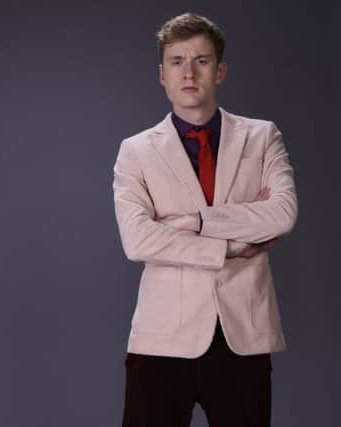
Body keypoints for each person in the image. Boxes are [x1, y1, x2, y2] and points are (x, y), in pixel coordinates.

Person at [113, 13, 297, 427]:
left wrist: (192, 221)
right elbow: (138, 241)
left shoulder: (262, 136)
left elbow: (282, 214)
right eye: (177, 61)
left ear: (221, 70)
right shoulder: (136, 151)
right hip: (162, 337)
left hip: (243, 337)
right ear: (162, 74)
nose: (189, 72)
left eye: (202, 60)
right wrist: (229, 245)